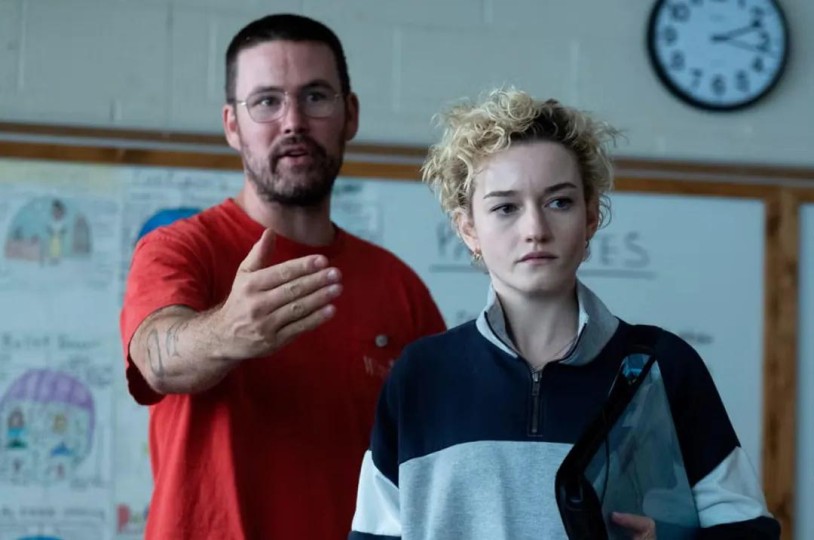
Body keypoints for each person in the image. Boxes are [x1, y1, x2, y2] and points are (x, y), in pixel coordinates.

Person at [349, 88, 779, 539]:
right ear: (468, 228)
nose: (535, 229)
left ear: (591, 216)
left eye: (559, 202)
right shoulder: (420, 376)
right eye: (505, 208)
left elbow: (750, 532)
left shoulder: (663, 366)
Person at [120, 14, 445, 540]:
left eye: (315, 97)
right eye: (266, 101)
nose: (293, 121)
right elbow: (155, 360)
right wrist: (228, 332)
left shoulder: (398, 287)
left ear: (350, 114)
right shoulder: (179, 249)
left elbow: (440, 458)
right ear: (232, 125)